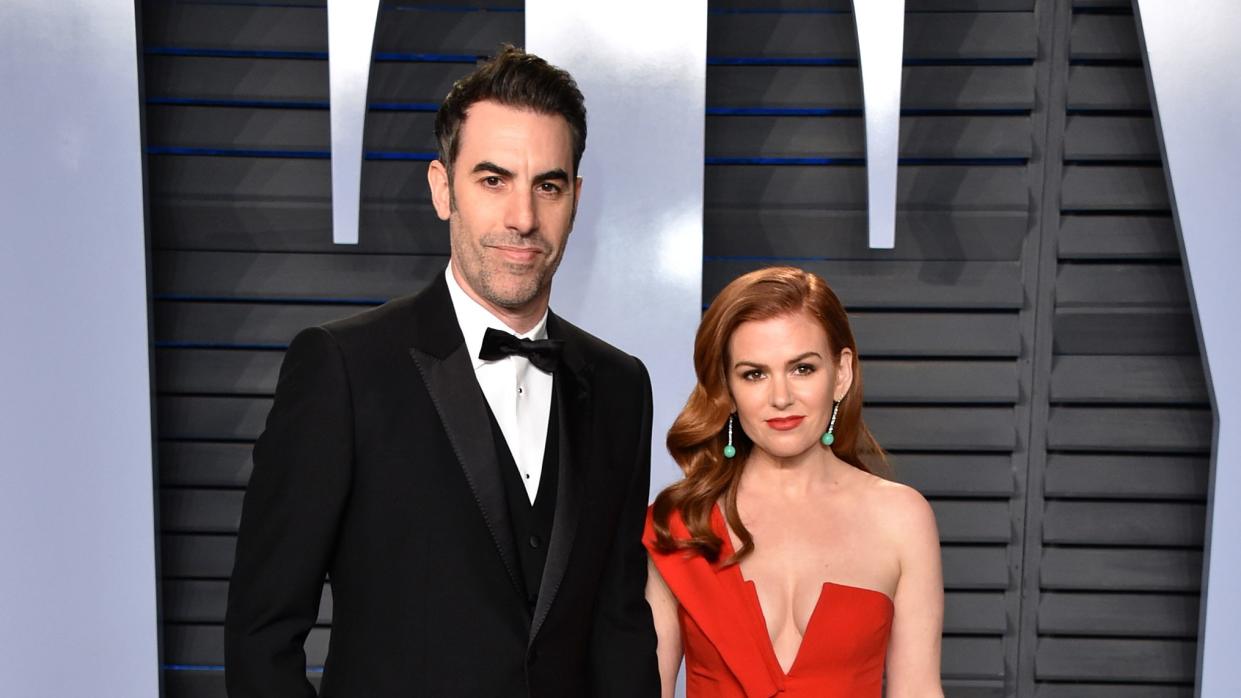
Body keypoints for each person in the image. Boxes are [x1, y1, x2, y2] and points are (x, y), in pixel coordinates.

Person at [225, 46, 659, 697]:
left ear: (574, 198)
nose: (522, 217)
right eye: (492, 180)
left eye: (548, 184)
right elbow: (261, 635)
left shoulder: (620, 385)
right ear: (441, 188)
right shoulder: (343, 369)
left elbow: (620, 627)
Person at [644, 266, 944, 697]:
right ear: (726, 388)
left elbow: (917, 690)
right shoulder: (681, 522)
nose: (781, 397)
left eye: (802, 369)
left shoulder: (901, 518)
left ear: (841, 374)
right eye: (754, 374)